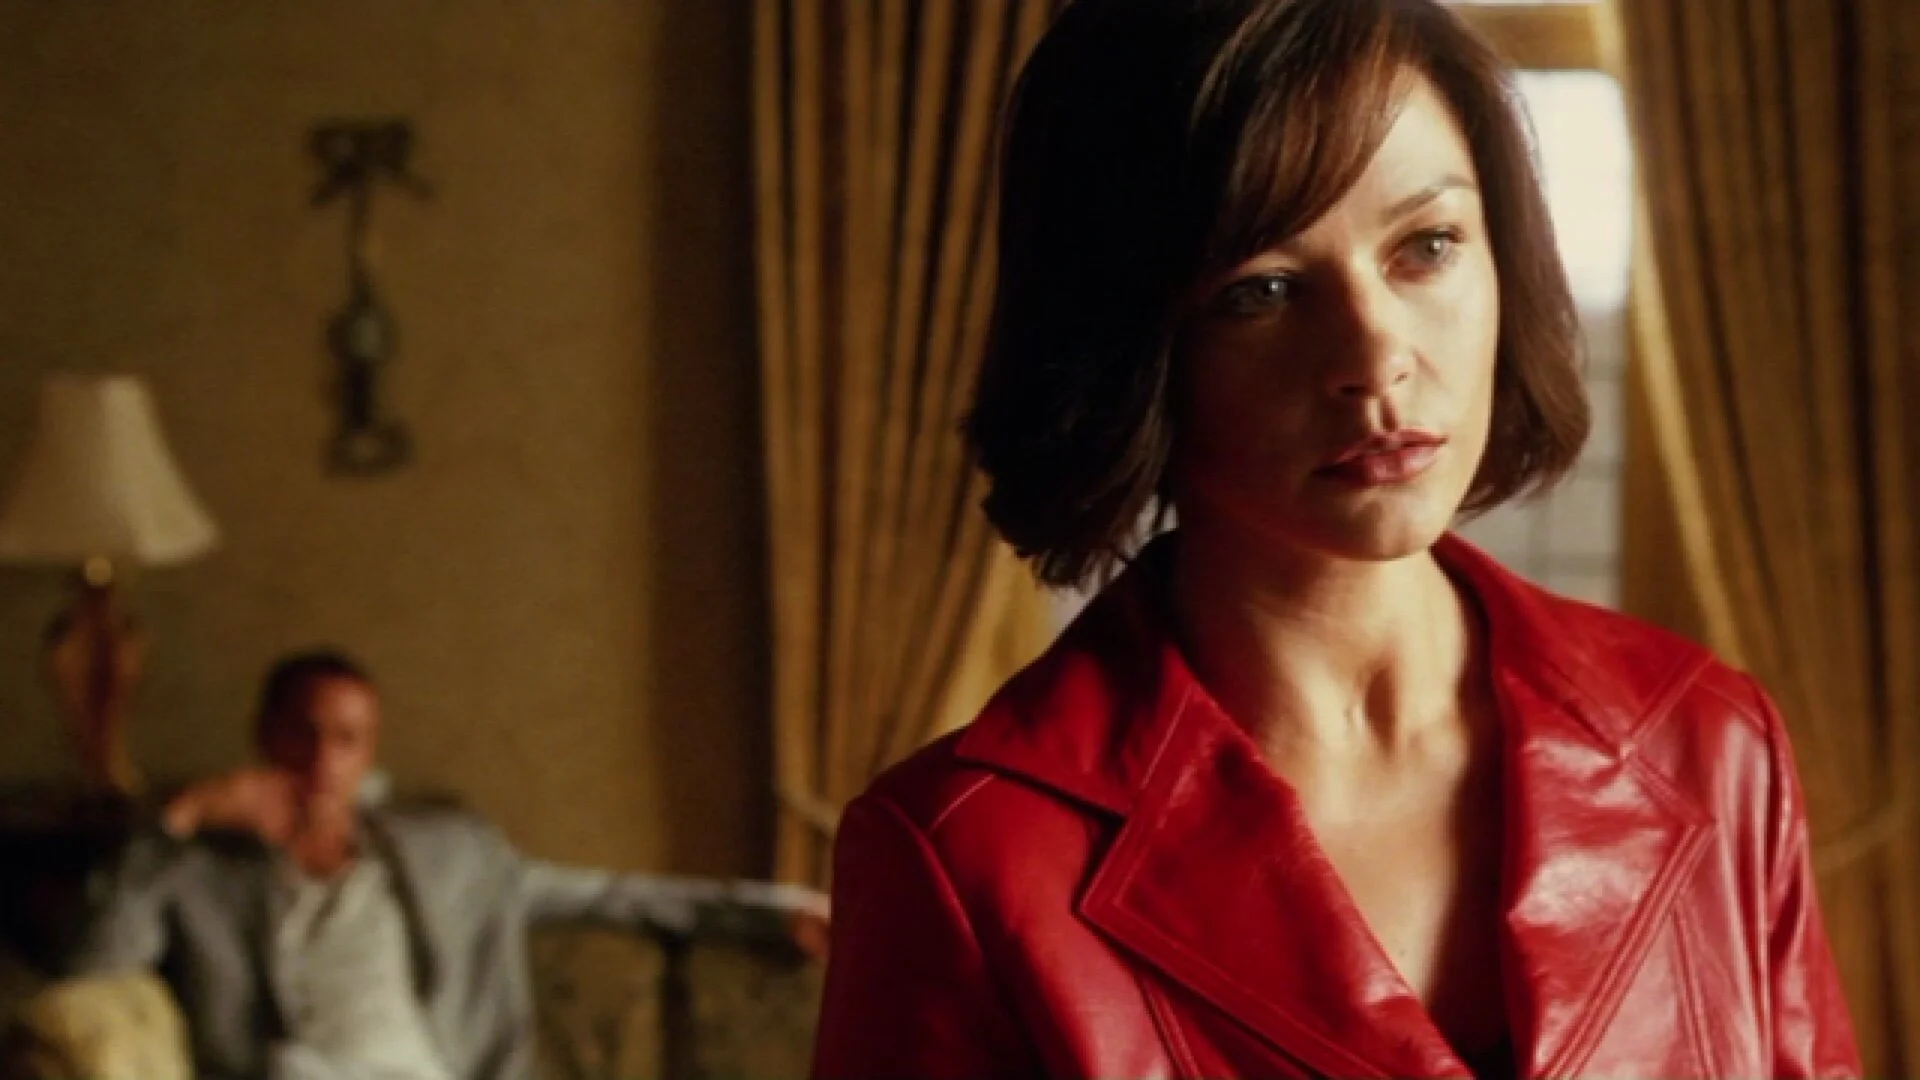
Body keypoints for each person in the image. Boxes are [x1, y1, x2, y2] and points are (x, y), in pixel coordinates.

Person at [811, 1, 1860, 1077]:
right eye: (1261, 291)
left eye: (1428, 247)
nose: (1374, 355)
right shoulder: (967, 858)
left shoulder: (1708, 742)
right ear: (1129, 344)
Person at [67, 649, 828, 1080]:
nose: (322, 760)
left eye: (347, 740)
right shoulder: (198, 870)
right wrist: (179, 817)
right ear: (265, 734)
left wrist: (771, 912)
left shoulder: (449, 856)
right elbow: (92, 965)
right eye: (303, 732)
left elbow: (608, 894)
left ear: (370, 754)